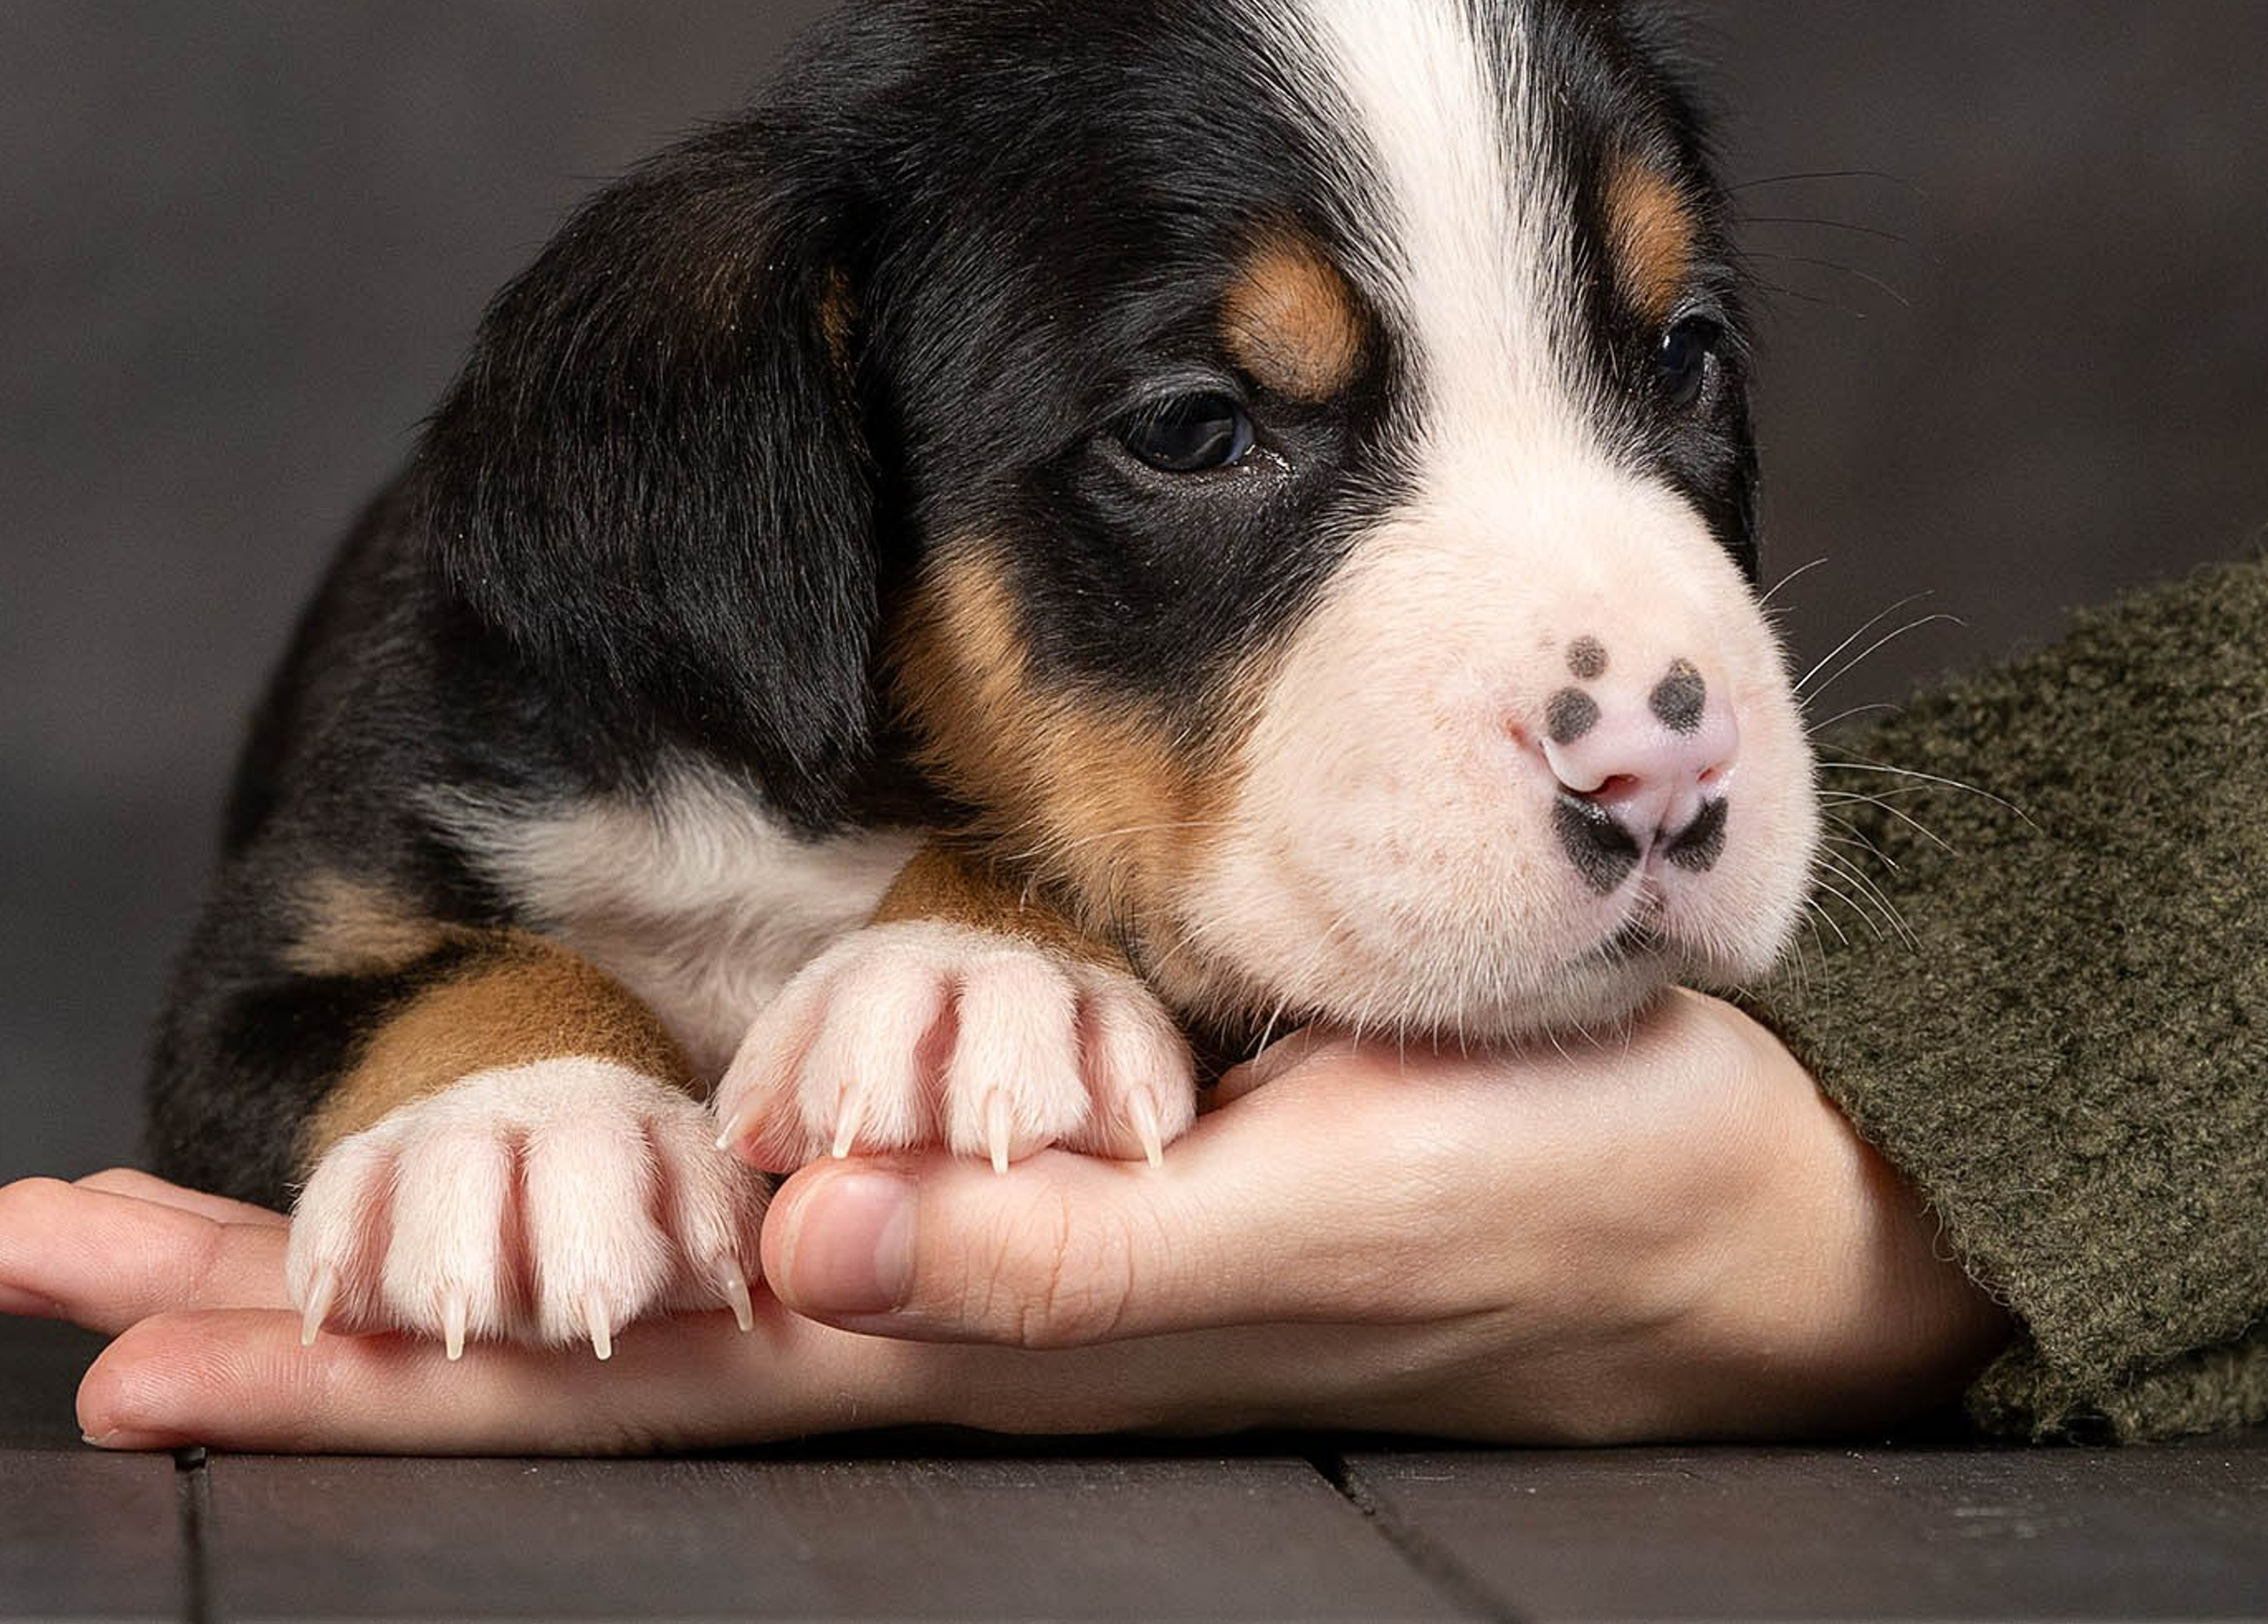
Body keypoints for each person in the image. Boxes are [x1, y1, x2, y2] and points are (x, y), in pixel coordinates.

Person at [4, 557, 2263, 1451]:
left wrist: (1847, 1177)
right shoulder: (528, 691)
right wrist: (515, 1057)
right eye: (1197, 424)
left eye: (1664, 369)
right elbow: (262, 1010)